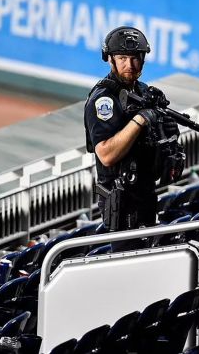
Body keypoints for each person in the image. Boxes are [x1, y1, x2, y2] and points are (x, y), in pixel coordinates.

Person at [84, 26, 179, 251]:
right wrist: (140, 120)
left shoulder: (144, 92)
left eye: (135, 58)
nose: (130, 64)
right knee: (127, 260)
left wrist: (168, 132)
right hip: (121, 199)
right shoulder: (104, 100)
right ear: (110, 60)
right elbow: (106, 154)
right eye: (122, 58)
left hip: (146, 192)